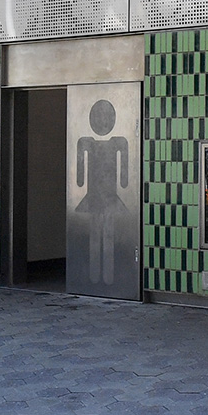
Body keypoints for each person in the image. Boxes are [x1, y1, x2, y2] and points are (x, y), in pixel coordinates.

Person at [75, 100, 130, 285]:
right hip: (101, 196)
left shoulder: (93, 143)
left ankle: (101, 278)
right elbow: (124, 178)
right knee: (102, 233)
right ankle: (102, 279)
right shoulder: (113, 143)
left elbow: (79, 178)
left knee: (103, 233)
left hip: (101, 196)